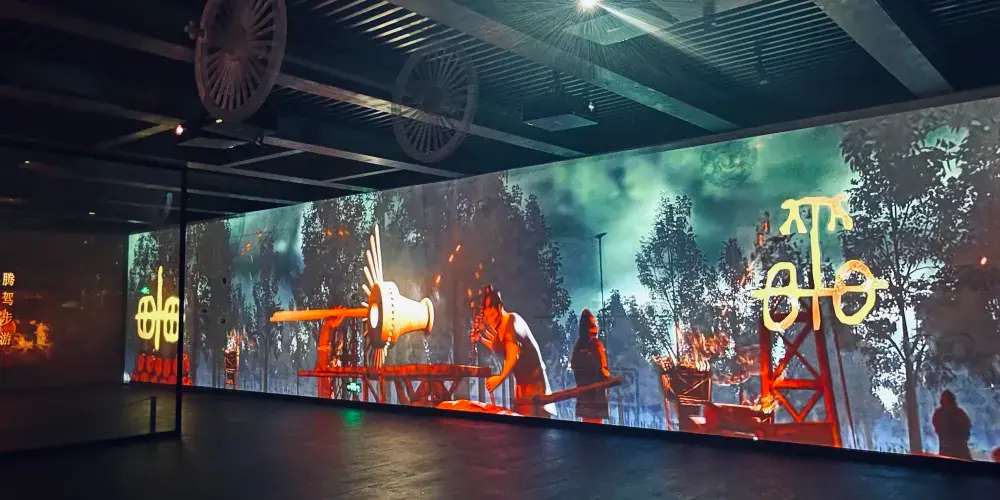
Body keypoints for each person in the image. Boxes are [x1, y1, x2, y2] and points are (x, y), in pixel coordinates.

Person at [473, 285, 556, 418]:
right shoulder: (500, 327)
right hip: (522, 387)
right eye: (488, 317)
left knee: (535, 424)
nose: (491, 320)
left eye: (492, 314)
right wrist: (481, 338)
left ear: (499, 307)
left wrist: (499, 378)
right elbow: (498, 346)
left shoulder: (512, 322)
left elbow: (513, 355)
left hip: (536, 387)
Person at [571, 309, 611, 424]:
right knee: (595, 426)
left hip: (583, 392)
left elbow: (574, 365)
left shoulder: (578, 344)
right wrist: (607, 378)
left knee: (586, 425)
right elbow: (602, 367)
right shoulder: (596, 344)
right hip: (596, 393)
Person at [932, 390, 972, 460]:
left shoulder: (959, 412)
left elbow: (966, 427)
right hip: (948, 448)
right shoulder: (939, 413)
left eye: (948, 399)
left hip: (959, 448)